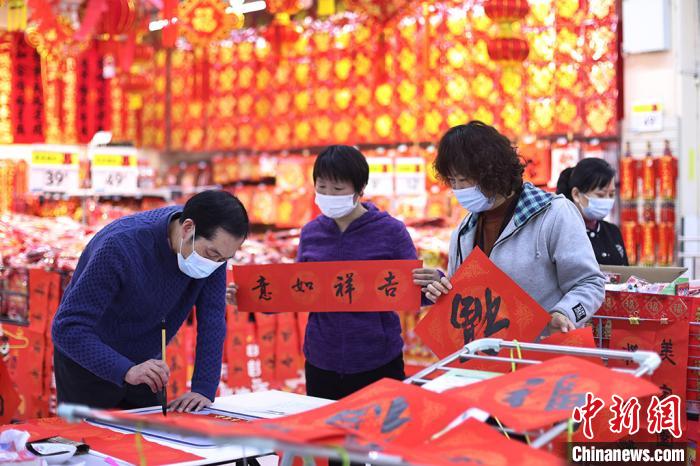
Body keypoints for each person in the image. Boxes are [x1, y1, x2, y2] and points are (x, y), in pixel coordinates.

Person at [228, 145, 423, 402]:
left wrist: (434, 283)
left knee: (379, 438)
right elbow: (298, 290)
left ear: (360, 190)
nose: (328, 195)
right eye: (322, 188)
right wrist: (248, 297)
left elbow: (415, 291)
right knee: (326, 439)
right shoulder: (311, 233)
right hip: (322, 360)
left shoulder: (391, 232)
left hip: (377, 359)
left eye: (338, 189)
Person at [52, 190, 248, 412]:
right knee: (89, 442)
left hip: (147, 366)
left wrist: (203, 388)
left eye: (224, 259)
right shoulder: (120, 245)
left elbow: (212, 319)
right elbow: (67, 328)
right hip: (90, 363)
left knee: (148, 442)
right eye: (212, 254)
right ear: (187, 229)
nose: (216, 263)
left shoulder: (214, 256)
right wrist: (125, 370)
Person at [413, 121, 605, 333]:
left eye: (464, 180)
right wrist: (443, 287)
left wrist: (565, 312)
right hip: (489, 357)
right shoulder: (463, 231)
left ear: (491, 171)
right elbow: (467, 299)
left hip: (541, 353)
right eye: (452, 181)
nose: (458, 190)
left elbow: (590, 283)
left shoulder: (553, 214)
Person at [556, 158, 628, 266]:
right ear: (576, 194)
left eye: (611, 194)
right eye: (600, 195)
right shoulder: (562, 232)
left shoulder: (613, 231)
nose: (607, 200)